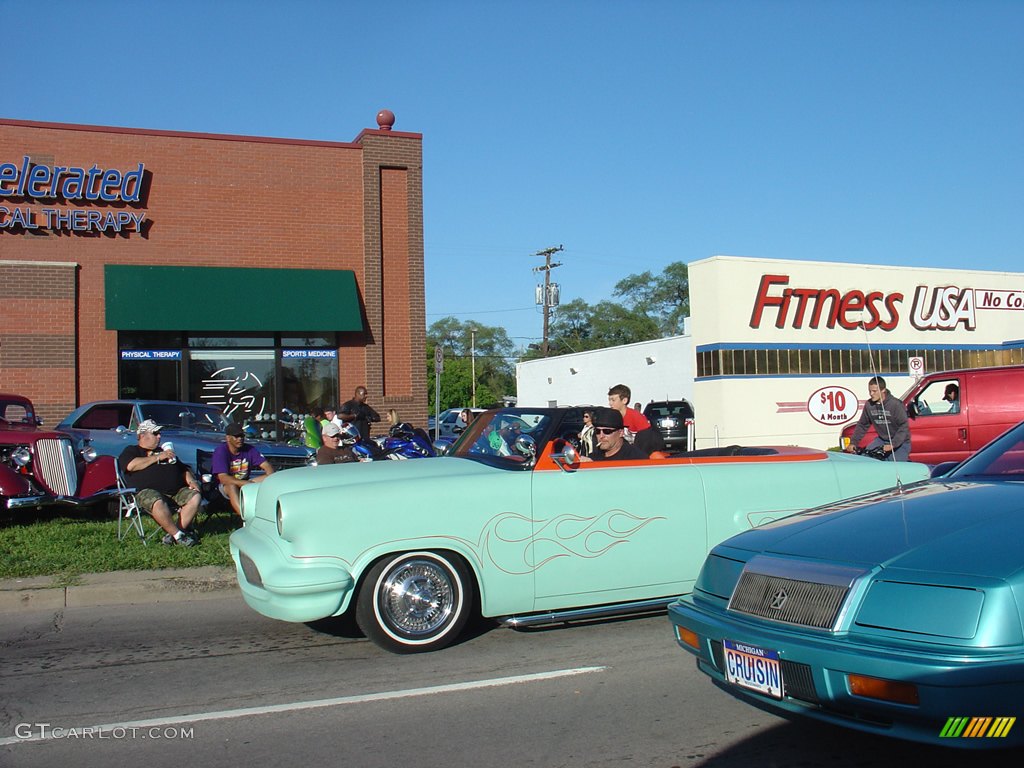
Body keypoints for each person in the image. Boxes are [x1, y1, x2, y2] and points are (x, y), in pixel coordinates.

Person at [118, 419, 201, 546]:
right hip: (146, 492)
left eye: (159, 433)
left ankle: (173, 534)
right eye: (155, 433)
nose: (159, 436)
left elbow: (183, 469)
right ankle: (179, 536)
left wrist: (191, 480)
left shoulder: (164, 451)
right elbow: (131, 466)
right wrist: (157, 457)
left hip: (175, 491)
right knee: (156, 501)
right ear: (142, 435)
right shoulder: (132, 451)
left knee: (195, 497)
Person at [213, 422, 276, 515]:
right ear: (228, 438)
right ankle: (246, 517)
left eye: (242, 436)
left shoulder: (249, 449)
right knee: (231, 486)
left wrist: (271, 477)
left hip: (245, 482)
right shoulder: (221, 451)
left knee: (270, 478)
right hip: (224, 487)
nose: (240, 439)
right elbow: (223, 478)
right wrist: (245, 483)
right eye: (236, 436)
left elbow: (266, 466)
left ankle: (270, 513)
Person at [845, 375, 912, 461]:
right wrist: (853, 443)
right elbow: (862, 425)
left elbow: (903, 426)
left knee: (895, 466)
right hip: (882, 440)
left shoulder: (896, 404)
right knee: (866, 458)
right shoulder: (869, 405)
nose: (871, 394)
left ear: (883, 390)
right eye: (870, 391)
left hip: (900, 443)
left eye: (874, 391)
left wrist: (893, 444)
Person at [580, 408, 649, 462]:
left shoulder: (636, 458)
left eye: (607, 431)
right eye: (597, 431)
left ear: (621, 432)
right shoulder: (594, 457)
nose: (601, 436)